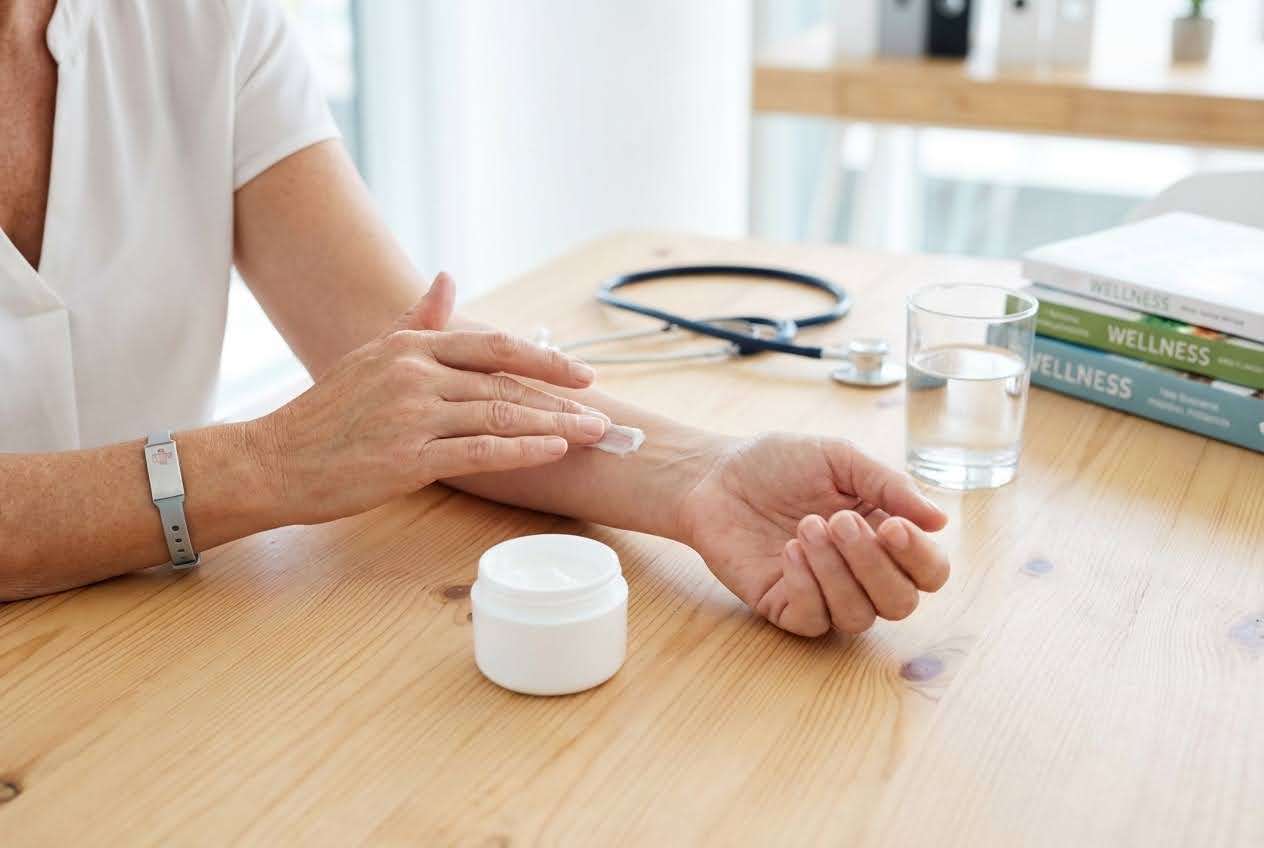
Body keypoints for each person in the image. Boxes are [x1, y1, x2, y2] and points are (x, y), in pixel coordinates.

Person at [0, 0, 950, 637]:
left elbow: (406, 366)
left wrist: (698, 477)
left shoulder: (199, 16)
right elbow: (329, 437)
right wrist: (265, 462)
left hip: (153, 648)